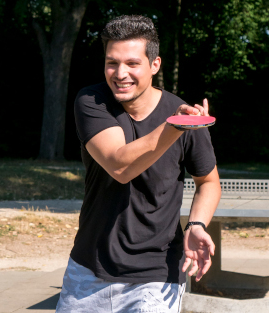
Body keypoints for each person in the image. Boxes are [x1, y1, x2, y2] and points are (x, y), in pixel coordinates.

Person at [56, 15, 221, 313]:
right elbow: (120, 166)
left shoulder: (181, 116)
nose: (120, 73)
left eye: (132, 64)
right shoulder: (92, 101)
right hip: (88, 270)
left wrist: (196, 225)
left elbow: (208, 182)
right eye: (112, 62)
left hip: (156, 276)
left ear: (154, 65)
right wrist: (176, 126)